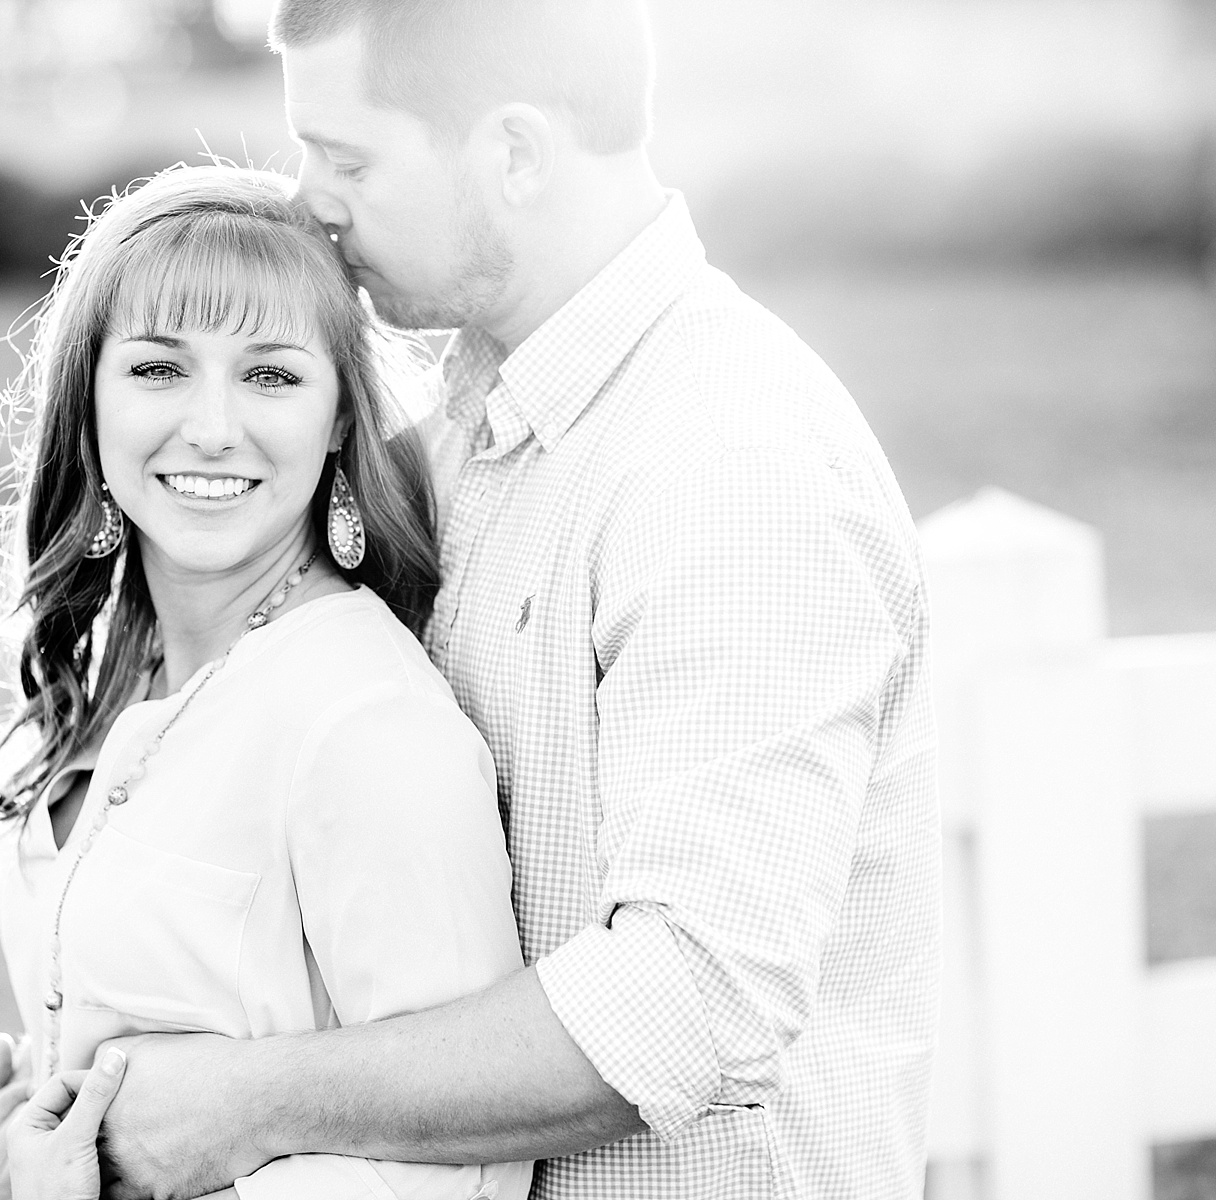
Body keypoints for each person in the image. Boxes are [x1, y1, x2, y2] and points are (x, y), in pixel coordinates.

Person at [92, 2, 942, 1199]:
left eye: (347, 158)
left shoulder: (731, 462)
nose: (310, 203)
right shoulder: (456, 438)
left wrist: (242, 1104)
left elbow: (697, 994)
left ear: (516, 153)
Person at [0, 164, 534, 1200]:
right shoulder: (116, 677)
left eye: (271, 375)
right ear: (87, 398)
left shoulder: (363, 722)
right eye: (160, 368)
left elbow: (464, 1173)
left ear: (342, 418)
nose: (212, 426)